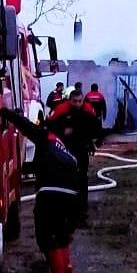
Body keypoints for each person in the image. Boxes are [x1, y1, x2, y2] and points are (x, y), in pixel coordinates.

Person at [0, 107, 83, 273]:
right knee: (61, 233)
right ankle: (67, 270)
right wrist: (73, 222)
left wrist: (5, 113)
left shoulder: (48, 138)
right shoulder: (67, 151)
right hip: (70, 195)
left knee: (45, 236)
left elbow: (26, 126)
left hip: (50, 192)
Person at [47, 89, 100, 225]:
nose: (77, 104)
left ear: (83, 100)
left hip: (82, 150)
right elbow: (50, 128)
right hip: (65, 152)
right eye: (75, 101)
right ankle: (65, 212)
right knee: (65, 180)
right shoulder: (61, 110)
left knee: (82, 179)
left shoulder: (88, 110)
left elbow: (95, 129)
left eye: (80, 101)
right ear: (70, 100)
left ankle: (82, 213)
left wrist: (92, 143)